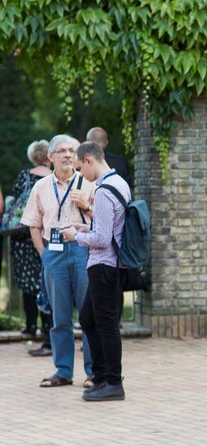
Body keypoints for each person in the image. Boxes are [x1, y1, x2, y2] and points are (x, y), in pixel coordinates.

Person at [20, 135, 94, 388]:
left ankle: (93, 372)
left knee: (88, 314)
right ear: (50, 157)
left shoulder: (88, 182)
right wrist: (44, 255)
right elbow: (33, 224)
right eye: (62, 151)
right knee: (60, 317)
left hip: (83, 250)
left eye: (72, 150)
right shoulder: (41, 187)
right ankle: (63, 371)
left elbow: (102, 220)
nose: (68, 155)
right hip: (53, 252)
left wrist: (86, 206)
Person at [61, 142, 131, 401]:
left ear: (89, 160)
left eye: (80, 168)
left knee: (107, 325)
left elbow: (102, 239)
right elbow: (109, 228)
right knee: (89, 318)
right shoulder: (120, 182)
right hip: (111, 265)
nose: (81, 174)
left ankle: (113, 382)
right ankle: (100, 376)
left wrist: (75, 236)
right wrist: (83, 228)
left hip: (104, 265)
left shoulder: (103, 191)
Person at [10, 140, 53, 354]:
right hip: (46, 236)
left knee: (28, 283)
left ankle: (30, 325)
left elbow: (14, 202)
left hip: (23, 236)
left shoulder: (24, 176)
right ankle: (47, 326)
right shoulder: (53, 178)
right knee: (46, 281)